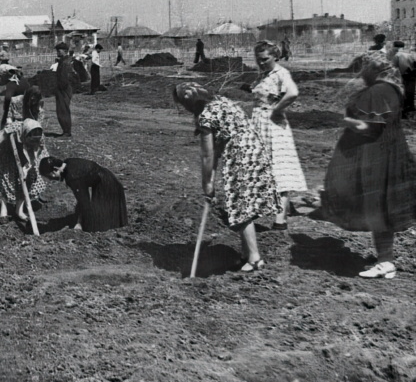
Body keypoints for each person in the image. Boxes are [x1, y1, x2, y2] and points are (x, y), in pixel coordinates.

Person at [321, 52, 416, 279]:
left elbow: (369, 128)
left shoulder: (377, 92)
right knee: (383, 207)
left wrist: (345, 121)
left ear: (373, 70)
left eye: (364, 70)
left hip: (377, 155)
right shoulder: (393, 89)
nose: (361, 75)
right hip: (391, 151)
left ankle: (385, 262)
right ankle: (386, 260)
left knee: (377, 207)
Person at [173, 82, 279, 272]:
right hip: (256, 151)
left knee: (241, 208)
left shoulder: (205, 117)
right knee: (244, 205)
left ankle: (255, 259)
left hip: (240, 156)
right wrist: (211, 181)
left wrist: (207, 184)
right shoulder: (222, 101)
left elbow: (208, 155)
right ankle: (247, 255)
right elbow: (217, 147)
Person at [248, 41, 307, 230]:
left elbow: (293, 93)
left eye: (265, 59)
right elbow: (267, 94)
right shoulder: (263, 75)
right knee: (260, 167)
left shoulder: (281, 73)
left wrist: (277, 109)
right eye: (259, 60)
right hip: (259, 124)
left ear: (275, 56)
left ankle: (279, 220)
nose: (262, 63)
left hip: (274, 126)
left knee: (279, 168)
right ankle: (258, 210)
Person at [0, 118, 50, 224]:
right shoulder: (13, 130)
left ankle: (19, 210)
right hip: (7, 152)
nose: (33, 142)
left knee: (29, 178)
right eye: (31, 140)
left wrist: (27, 168)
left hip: (28, 154)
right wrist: (6, 134)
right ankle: (4, 210)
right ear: (25, 134)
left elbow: (36, 154)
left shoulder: (40, 136)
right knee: (5, 179)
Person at [39, 156, 128, 232]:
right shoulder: (68, 162)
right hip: (107, 177)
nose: (52, 179)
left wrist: (79, 223)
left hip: (107, 185)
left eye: (50, 176)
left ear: (55, 169)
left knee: (100, 226)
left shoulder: (72, 177)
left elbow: (84, 201)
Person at [53, 42, 76, 137]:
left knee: (63, 109)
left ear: (65, 51)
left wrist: (60, 88)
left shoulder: (65, 62)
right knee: (61, 109)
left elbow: (64, 77)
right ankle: (65, 130)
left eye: (59, 51)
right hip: (63, 88)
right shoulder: (63, 61)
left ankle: (67, 131)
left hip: (64, 88)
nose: (57, 52)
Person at [0, 64, 29, 129]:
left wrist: (6, 111)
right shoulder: (23, 80)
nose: (1, 79)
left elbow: (8, 98)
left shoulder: (11, 84)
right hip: (28, 110)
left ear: (5, 75)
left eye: (1, 77)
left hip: (18, 112)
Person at [392, 41, 416, 119]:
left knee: (402, 94)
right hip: (411, 76)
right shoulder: (410, 55)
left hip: (402, 77)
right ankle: (410, 109)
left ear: (395, 47)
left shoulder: (396, 55)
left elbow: (394, 68)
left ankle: (403, 112)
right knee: (410, 93)